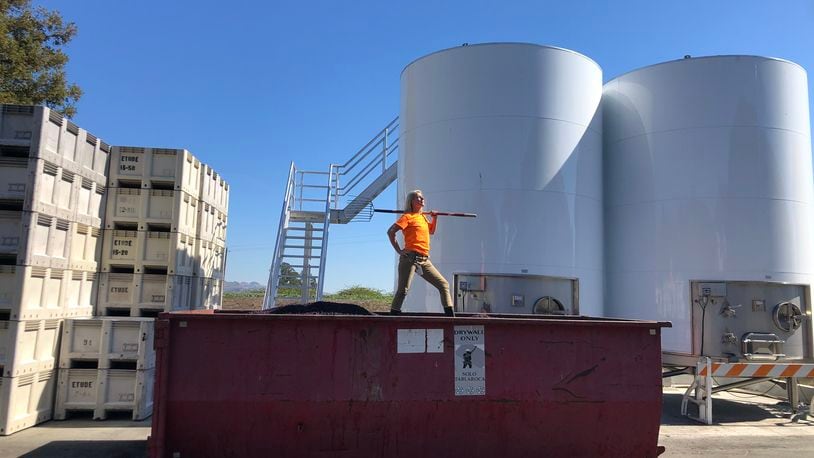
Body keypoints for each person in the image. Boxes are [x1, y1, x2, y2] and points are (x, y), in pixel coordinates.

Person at [387, 190, 454, 316]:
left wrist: (435, 218)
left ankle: (451, 318)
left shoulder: (423, 217)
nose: (422, 200)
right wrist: (399, 250)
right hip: (410, 258)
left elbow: (431, 231)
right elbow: (391, 232)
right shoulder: (407, 217)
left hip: (424, 259)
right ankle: (393, 317)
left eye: (422, 198)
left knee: (444, 285)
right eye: (418, 198)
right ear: (411, 201)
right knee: (403, 290)